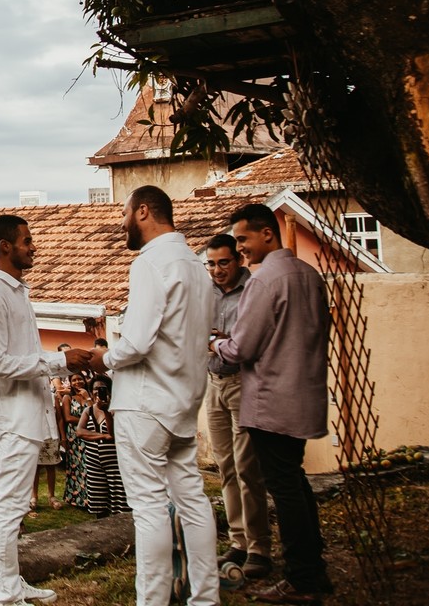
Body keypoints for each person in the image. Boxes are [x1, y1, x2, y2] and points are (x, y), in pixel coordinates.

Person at [90, 185, 218, 606]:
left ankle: (153, 600)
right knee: (193, 500)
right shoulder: (197, 266)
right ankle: (206, 597)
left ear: (143, 211)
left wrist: (103, 358)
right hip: (184, 400)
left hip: (144, 404)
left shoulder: (150, 264)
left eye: (126, 213)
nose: (122, 222)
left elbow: (137, 342)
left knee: (147, 508)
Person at [214, 203, 334, 605]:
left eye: (244, 239)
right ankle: (310, 568)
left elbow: (240, 348)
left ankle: (304, 578)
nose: (240, 247)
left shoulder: (264, 281)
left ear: (268, 234)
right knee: (295, 486)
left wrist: (213, 342)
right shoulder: (308, 274)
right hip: (304, 393)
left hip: (271, 402)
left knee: (284, 490)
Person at [0, 214, 89, 606]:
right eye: (27, 240)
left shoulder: (17, 291)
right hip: (12, 417)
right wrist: (57, 362)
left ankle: (12, 580)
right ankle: (5, 592)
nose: (33, 246)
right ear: (5, 246)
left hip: (29, 412)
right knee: (7, 506)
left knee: (18, 504)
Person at [203, 233, 272, 579]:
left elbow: (245, 343)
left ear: (238, 260)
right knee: (225, 467)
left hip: (243, 383)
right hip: (213, 383)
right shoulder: (207, 293)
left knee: (248, 468)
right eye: (211, 263)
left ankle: (260, 547)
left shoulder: (253, 291)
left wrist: (216, 340)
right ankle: (238, 541)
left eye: (223, 262)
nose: (217, 270)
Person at [75, 377, 129, 517]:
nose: (98, 392)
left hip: (114, 462)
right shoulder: (88, 410)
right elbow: (80, 431)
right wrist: (103, 436)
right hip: (94, 462)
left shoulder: (115, 410)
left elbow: (114, 433)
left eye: (102, 388)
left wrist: (105, 411)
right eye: (95, 389)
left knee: (118, 498)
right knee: (98, 499)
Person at [60, 373, 92, 509]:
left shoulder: (89, 396)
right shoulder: (68, 397)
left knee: (89, 465)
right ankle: (77, 497)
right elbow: (68, 418)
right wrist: (85, 420)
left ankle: (90, 497)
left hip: (90, 435)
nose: (77, 382)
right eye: (74, 380)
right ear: (71, 383)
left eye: (80, 379)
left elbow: (95, 412)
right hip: (74, 436)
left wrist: (87, 398)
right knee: (76, 466)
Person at [31, 380, 63, 512]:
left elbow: (60, 418)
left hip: (51, 434)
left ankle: (51, 496)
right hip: (36, 434)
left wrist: (62, 436)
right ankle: (34, 497)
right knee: (36, 467)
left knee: (51, 466)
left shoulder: (53, 396)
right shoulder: (31, 396)